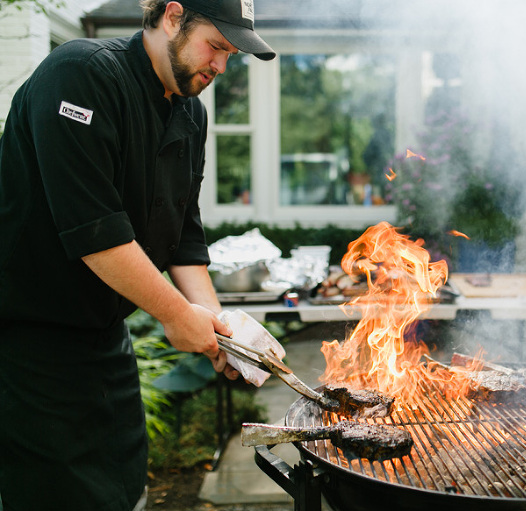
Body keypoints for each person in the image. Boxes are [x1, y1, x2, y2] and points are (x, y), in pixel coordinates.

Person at [0, 1, 276, 510]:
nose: (221, 65)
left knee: (128, 491)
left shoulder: (190, 113)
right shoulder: (80, 75)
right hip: (29, 345)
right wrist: (175, 315)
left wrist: (220, 330)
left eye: (230, 54)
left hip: (108, 341)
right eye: (216, 46)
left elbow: (185, 238)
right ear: (173, 16)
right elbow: (95, 233)